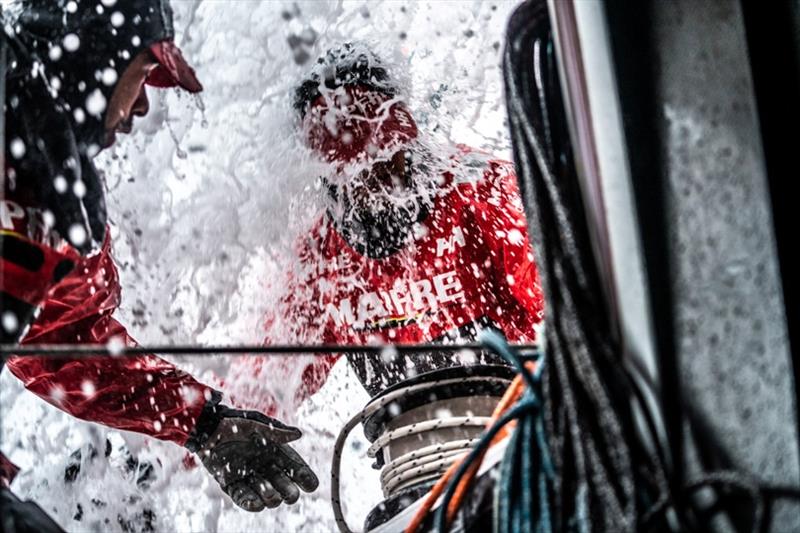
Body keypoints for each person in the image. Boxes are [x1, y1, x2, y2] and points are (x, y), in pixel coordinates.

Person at [1, 0, 316, 524]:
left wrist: (203, 420)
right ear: (96, 54)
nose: (143, 107)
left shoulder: (56, 204)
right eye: (143, 72)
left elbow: (65, 343)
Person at [244, 43, 545, 418]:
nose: (379, 172)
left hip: (520, 437)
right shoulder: (320, 260)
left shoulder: (487, 194)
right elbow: (260, 391)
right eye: (358, 166)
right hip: (408, 462)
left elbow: (567, 315)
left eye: (388, 152)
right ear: (329, 176)